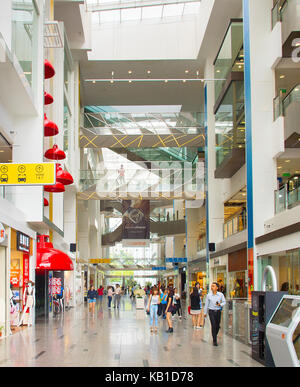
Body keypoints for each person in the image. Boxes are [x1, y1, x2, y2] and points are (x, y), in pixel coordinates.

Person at [204, 282, 226, 346]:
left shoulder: (220, 295)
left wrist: (220, 304)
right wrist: (205, 313)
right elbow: (206, 305)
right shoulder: (209, 295)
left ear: (217, 287)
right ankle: (214, 340)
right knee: (213, 325)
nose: (212, 287)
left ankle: (214, 334)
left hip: (218, 311)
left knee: (217, 326)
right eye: (211, 286)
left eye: (213, 286)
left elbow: (224, 302)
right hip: (211, 312)